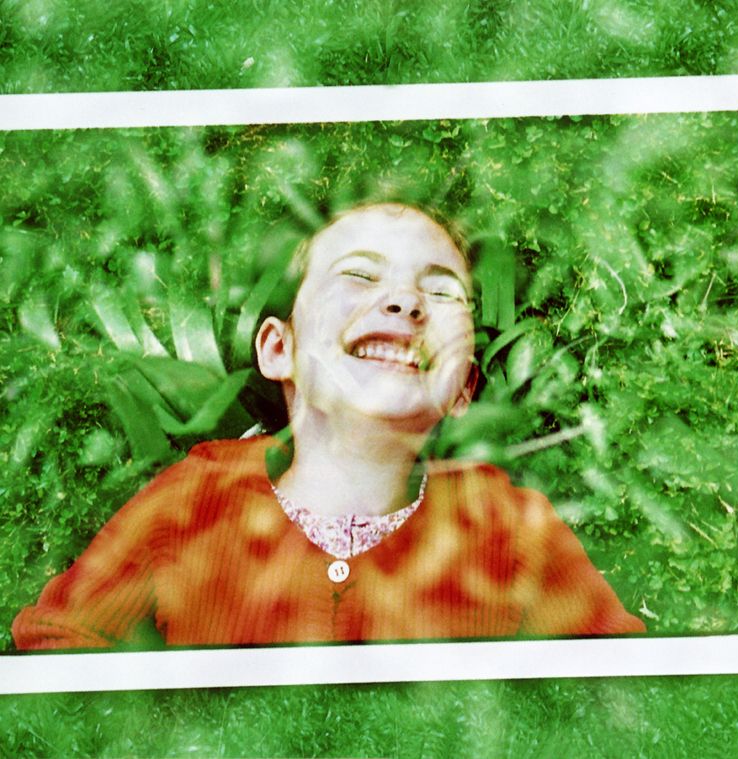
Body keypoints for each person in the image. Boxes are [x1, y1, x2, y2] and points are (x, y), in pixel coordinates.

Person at [12, 202, 645, 649]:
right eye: (361, 275)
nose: (403, 301)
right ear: (277, 349)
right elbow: (59, 652)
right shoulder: (194, 497)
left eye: (443, 292)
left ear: (464, 388)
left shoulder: (510, 526)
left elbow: (623, 690)